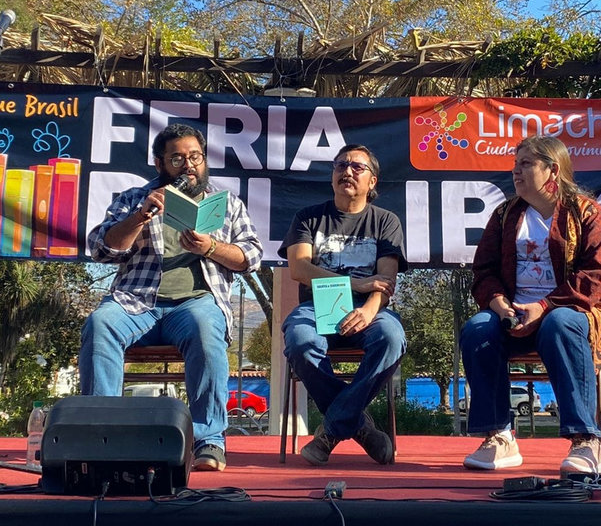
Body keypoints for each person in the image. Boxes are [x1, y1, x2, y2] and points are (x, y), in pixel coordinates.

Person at [79, 123, 263, 472]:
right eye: (177, 158)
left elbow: (251, 257)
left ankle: (209, 441)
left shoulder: (226, 204)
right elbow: (102, 249)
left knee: (207, 330)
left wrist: (211, 247)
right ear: (159, 164)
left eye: (195, 156)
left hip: (195, 301)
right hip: (137, 301)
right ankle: (102, 437)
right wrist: (140, 216)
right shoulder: (134, 199)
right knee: (101, 324)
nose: (189, 165)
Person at [460, 135, 601, 475]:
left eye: (526, 164)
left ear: (553, 171)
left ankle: (585, 440)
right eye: (515, 165)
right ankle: (499, 436)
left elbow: (596, 275)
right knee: (477, 330)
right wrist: (499, 303)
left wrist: (544, 306)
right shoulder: (505, 215)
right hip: (513, 315)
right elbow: (484, 271)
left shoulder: (587, 213)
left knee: (559, 323)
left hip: (575, 314)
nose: (515, 172)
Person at [279, 144, 407, 466]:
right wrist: (356, 283)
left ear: (372, 181)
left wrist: (368, 308)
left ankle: (332, 431)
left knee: (392, 338)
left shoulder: (386, 221)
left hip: (370, 309)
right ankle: (361, 426)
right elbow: (299, 269)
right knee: (299, 341)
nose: (347, 171)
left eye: (356, 167)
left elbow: (386, 280)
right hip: (317, 308)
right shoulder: (308, 218)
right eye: (340, 165)